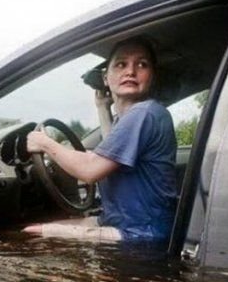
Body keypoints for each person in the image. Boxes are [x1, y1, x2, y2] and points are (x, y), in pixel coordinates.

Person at [24, 36, 178, 243]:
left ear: (152, 76)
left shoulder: (144, 114)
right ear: (106, 78)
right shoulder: (134, 117)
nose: (130, 71)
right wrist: (102, 107)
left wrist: (44, 143)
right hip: (124, 224)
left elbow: (90, 170)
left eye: (142, 65)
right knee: (51, 226)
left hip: (140, 234)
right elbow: (109, 154)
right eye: (121, 64)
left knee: (32, 233)